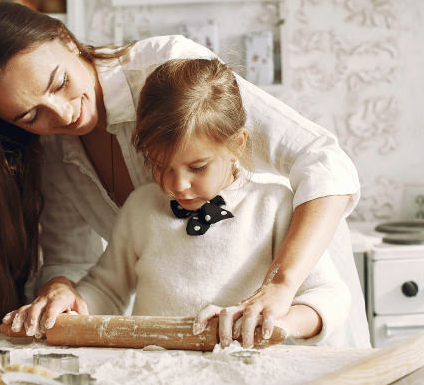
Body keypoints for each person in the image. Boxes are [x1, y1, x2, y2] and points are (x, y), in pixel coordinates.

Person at [0, 1, 369, 347]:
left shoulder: (169, 72)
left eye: (60, 83)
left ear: (64, 37)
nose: (62, 115)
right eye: (30, 116)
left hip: (293, 306)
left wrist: (280, 287)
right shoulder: (54, 148)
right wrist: (62, 291)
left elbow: (323, 161)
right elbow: (78, 262)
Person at [62, 58, 351, 347]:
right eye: (160, 166)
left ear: (237, 144)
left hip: (242, 379)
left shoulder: (273, 206)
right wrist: (68, 304)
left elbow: (329, 296)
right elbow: (106, 290)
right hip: (154, 376)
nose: (177, 185)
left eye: (198, 167)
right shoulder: (141, 208)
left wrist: (278, 323)